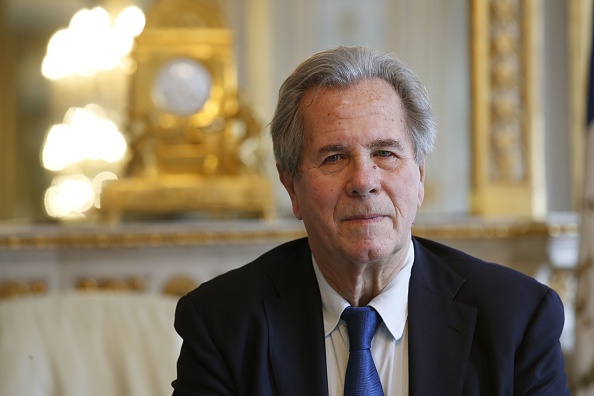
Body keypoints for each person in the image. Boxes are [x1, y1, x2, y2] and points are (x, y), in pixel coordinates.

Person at [172, 45, 569, 395]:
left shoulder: (517, 318)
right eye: (334, 157)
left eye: (385, 153)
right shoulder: (222, 323)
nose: (364, 182)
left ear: (419, 176)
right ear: (292, 186)